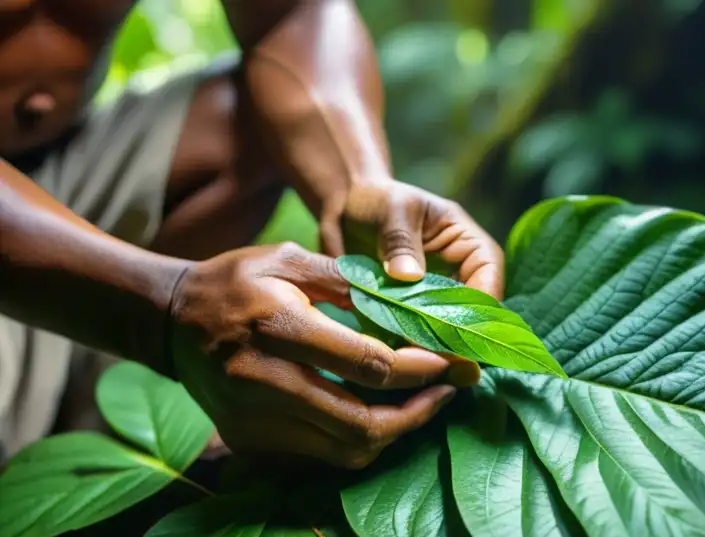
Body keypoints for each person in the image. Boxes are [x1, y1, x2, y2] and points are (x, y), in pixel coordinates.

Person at [0, 0, 505, 473]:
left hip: (55, 170)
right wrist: (168, 302)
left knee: (243, 120)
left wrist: (356, 181)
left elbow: (289, 15)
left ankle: (98, 420)